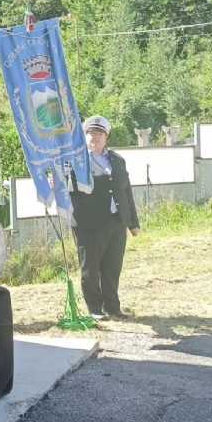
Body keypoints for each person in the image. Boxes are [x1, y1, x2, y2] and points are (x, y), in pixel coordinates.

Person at [68, 115, 140, 320]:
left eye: (100, 133)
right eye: (91, 132)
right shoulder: (75, 160)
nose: (96, 136)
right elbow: (66, 185)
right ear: (84, 135)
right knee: (91, 267)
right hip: (89, 223)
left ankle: (113, 307)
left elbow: (126, 191)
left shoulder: (117, 160)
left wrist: (133, 222)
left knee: (112, 266)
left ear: (106, 136)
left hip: (116, 220)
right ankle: (95, 308)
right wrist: (55, 182)